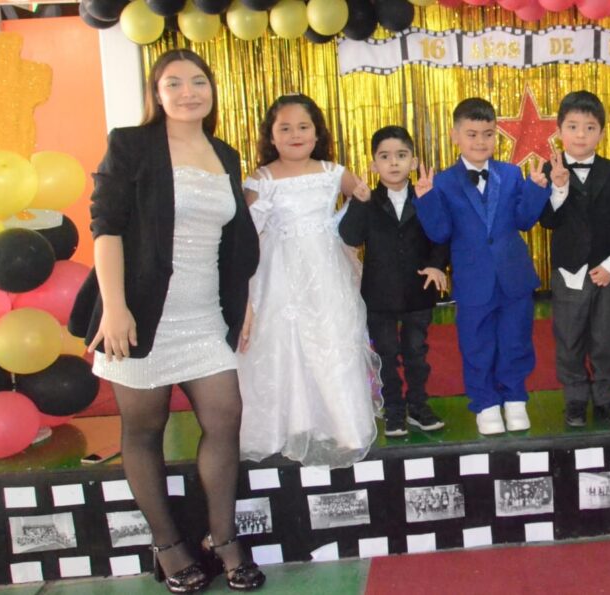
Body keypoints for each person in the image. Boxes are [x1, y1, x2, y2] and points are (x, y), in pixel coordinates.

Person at [68, 49, 264, 592]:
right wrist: (115, 307)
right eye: (172, 83)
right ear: (156, 94)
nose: (187, 92)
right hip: (139, 314)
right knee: (144, 430)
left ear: (212, 90)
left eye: (197, 81)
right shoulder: (132, 144)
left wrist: (243, 302)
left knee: (224, 417)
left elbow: (235, 242)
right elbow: (106, 229)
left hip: (203, 314)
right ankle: (169, 546)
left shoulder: (224, 153)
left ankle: (222, 539)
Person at [236, 94, 382, 467]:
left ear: (317, 133)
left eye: (303, 127)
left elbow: (361, 201)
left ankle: (343, 424)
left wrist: (363, 196)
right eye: (285, 128)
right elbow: (244, 233)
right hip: (278, 274)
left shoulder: (333, 172)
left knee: (331, 340)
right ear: (271, 136)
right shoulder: (262, 178)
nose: (295, 135)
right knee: (283, 342)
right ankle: (286, 426)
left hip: (326, 272)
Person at [414, 98, 557, 435]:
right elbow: (440, 232)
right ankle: (485, 403)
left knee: (515, 340)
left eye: (488, 134)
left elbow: (523, 220)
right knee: (476, 344)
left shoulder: (511, 173)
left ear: (496, 136)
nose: (480, 141)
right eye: (472, 134)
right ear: (455, 135)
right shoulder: (443, 182)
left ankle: (515, 398)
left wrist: (537, 189)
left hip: (513, 276)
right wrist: (426, 199)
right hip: (473, 278)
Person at [339, 126, 449, 437]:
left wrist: (436, 265)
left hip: (418, 291)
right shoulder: (368, 199)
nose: (393, 163)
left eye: (401, 155)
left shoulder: (425, 195)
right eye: (385, 157)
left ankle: (418, 406)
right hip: (379, 295)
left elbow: (442, 236)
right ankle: (394, 410)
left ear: (413, 162)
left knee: (416, 352)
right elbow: (350, 236)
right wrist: (358, 203)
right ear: (374, 165)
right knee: (386, 354)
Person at [538, 91, 610, 427]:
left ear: (601, 133)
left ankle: (606, 398)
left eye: (590, 127)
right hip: (569, 271)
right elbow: (547, 221)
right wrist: (558, 188)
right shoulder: (549, 169)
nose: (581, 134)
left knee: (606, 338)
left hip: (607, 271)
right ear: (559, 130)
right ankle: (575, 399)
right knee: (569, 338)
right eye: (573, 126)